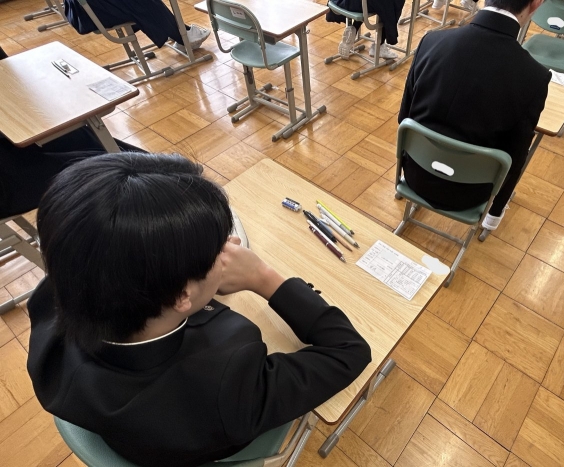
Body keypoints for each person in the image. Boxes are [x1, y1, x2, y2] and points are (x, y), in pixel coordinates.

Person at [26, 153, 371, 467]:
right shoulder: (228, 380)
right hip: (210, 434)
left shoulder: (51, 300)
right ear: (182, 296)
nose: (231, 246)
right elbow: (349, 350)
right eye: (218, 249)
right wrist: (263, 277)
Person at [398, 0, 550, 232]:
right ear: (536, 3)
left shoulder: (431, 41)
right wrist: (494, 215)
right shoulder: (535, 76)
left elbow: (404, 117)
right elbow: (515, 158)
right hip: (469, 194)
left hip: (415, 175)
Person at [0, 46, 144, 219]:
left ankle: (162, 175)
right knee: (111, 165)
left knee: (92, 139)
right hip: (6, 181)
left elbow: (8, 74)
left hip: (11, 141)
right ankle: (153, 200)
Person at [63, 0, 210, 52]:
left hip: (85, 13)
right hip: (94, 13)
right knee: (143, 3)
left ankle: (179, 33)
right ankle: (182, 36)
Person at [327, 0, 406, 60]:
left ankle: (354, 28)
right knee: (391, 3)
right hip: (362, 5)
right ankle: (379, 45)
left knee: (382, 4)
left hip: (341, 2)